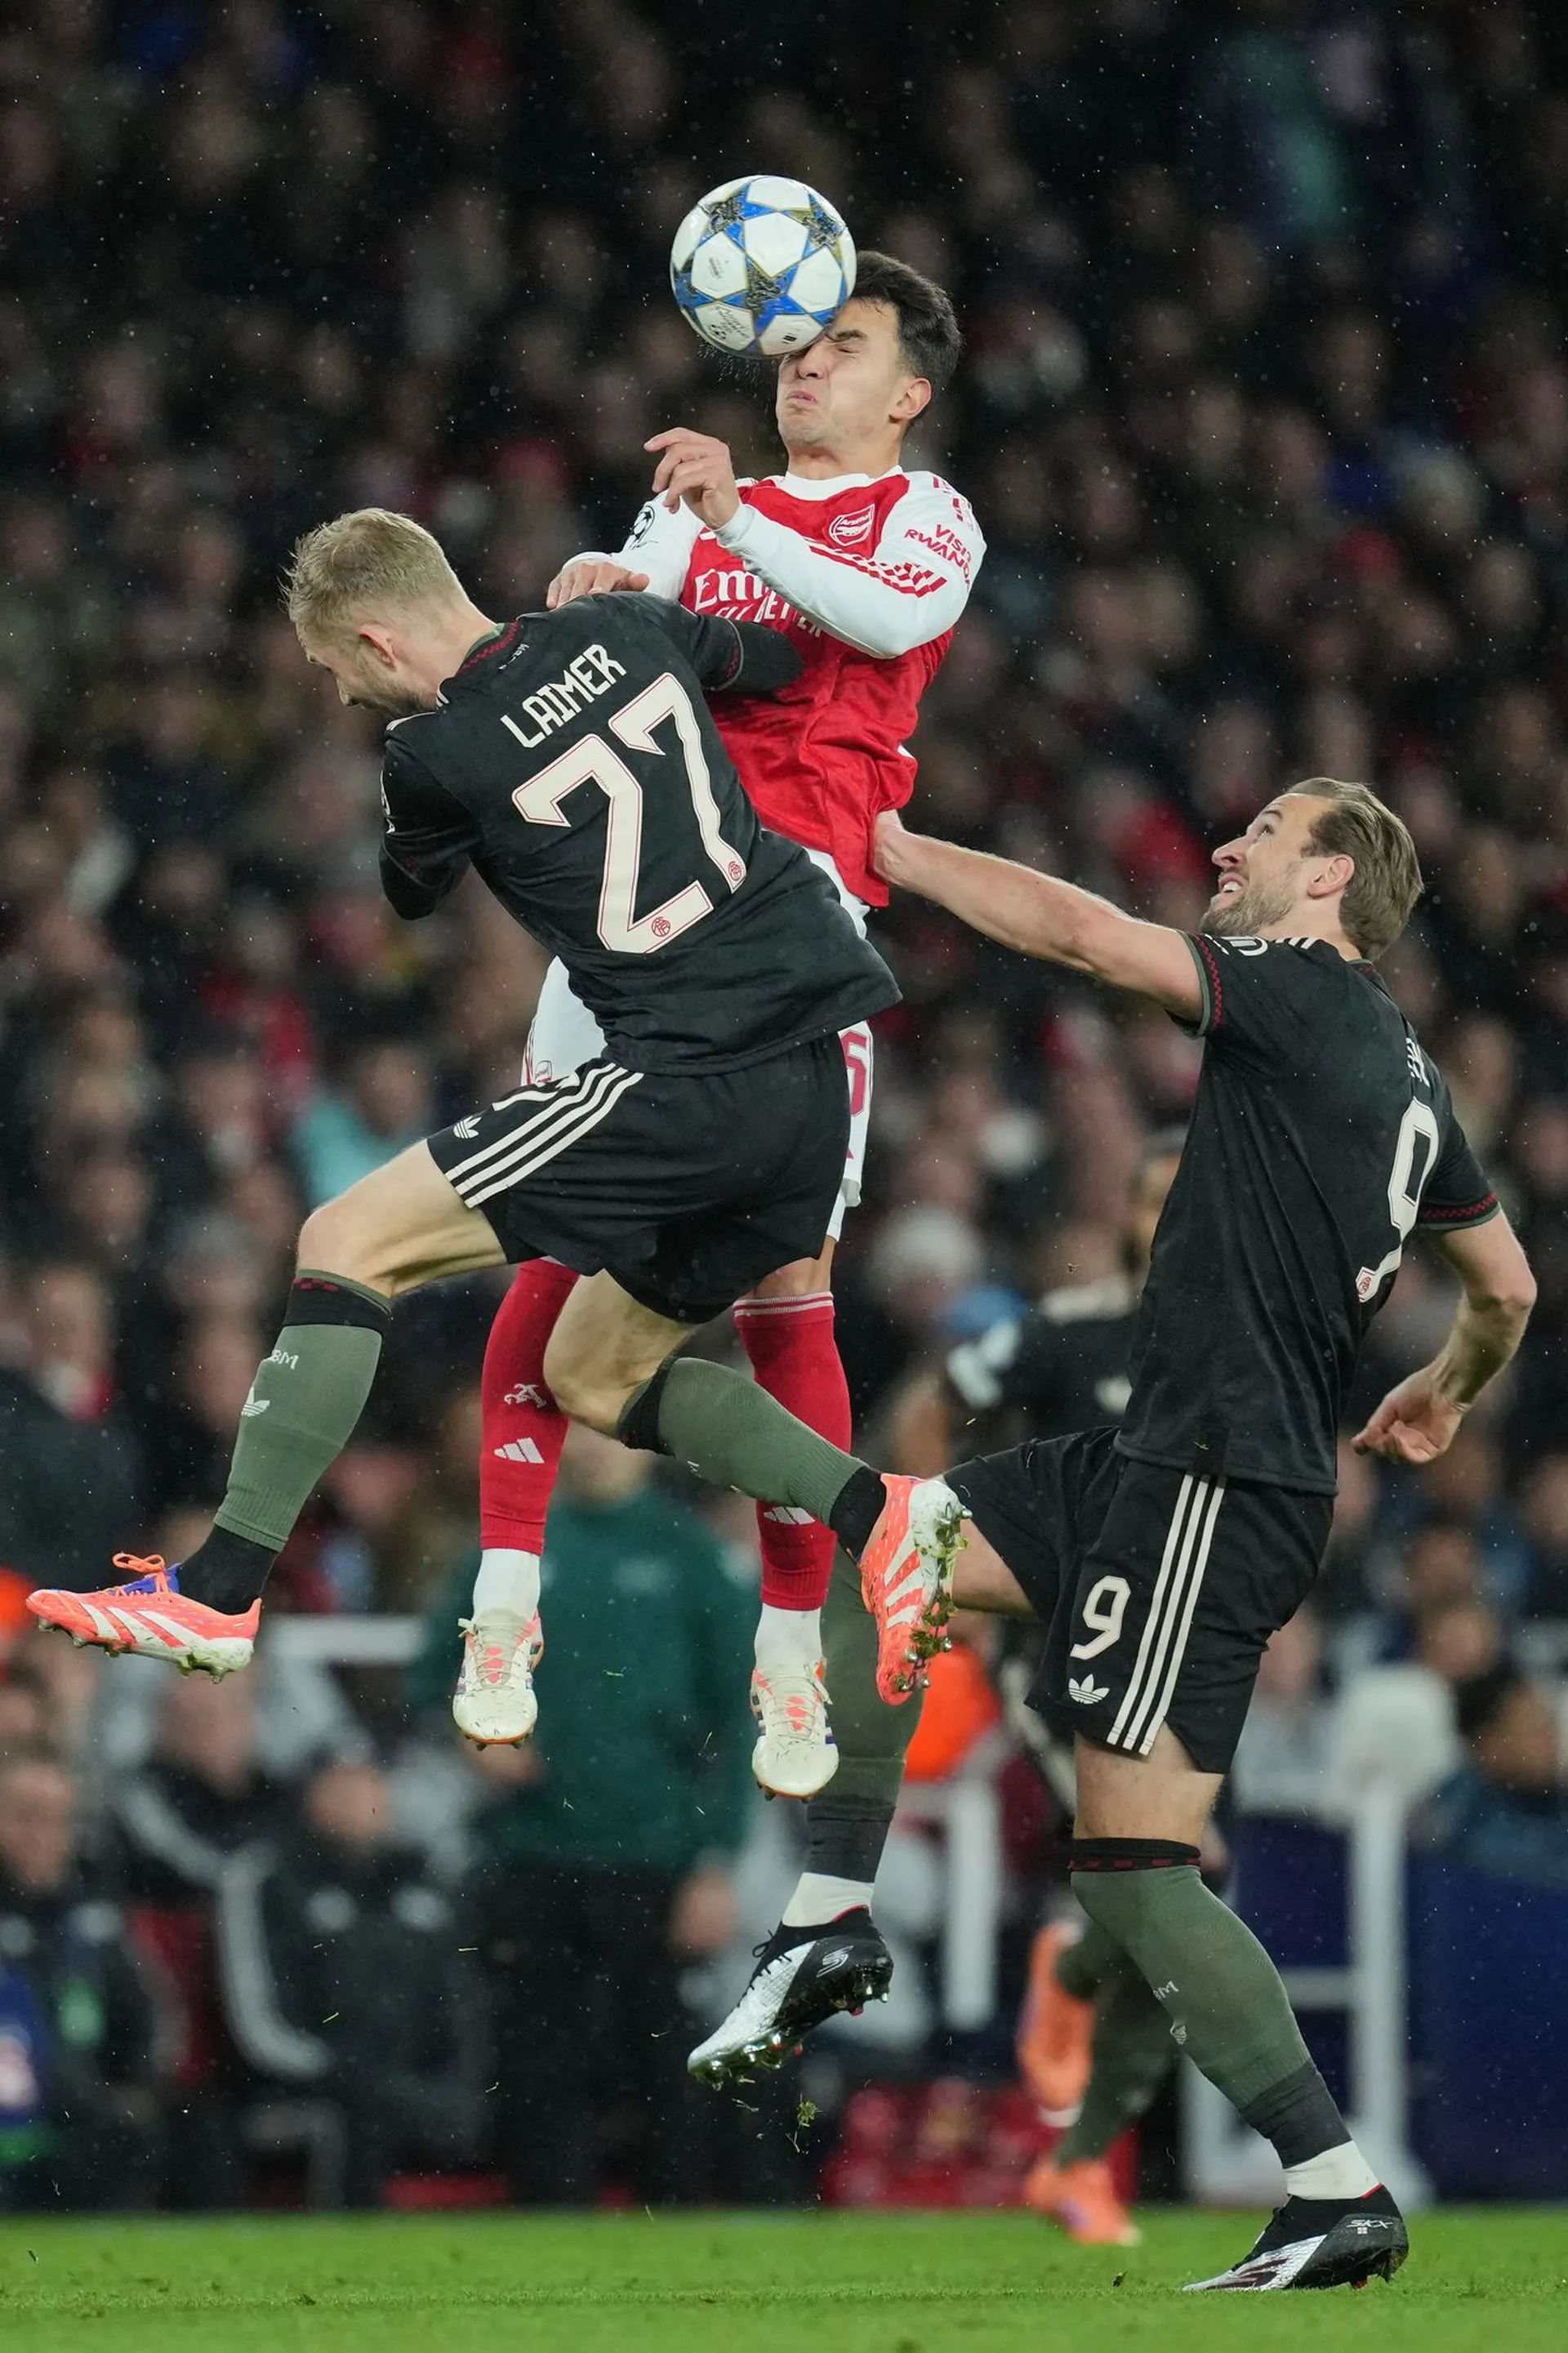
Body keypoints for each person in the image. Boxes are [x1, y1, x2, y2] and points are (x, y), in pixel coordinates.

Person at [595, 778, 1535, 2291]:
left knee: (1140, 1871)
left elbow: (1093, 938)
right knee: (892, 1554)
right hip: (1152, 1461)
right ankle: (830, 1911)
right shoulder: (1416, 1076)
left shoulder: (1302, 988)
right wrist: (1446, 1390)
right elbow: (1510, 1287)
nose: (1228, 845)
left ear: (1330, 880)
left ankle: (1334, 2183)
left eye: (1266, 833)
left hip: (1213, 1484)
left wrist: (897, 851)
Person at [27, 511, 958, 1756]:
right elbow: (778, 664)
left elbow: (411, 891)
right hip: (810, 1070)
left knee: (346, 1238)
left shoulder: (430, 752)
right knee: (593, 1374)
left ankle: (218, 1591)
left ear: (374, 639)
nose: (338, 694)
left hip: (685, 1073)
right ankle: (881, 1511)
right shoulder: (622, 621)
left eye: (333, 668)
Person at [461, 252, 982, 1795]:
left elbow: (879, 620)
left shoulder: (923, 515)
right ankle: (502, 1604)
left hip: (797, 931)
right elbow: (627, 649)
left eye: (847, 346)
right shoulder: (692, 510)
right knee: (548, 1234)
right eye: (797, 345)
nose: (806, 366)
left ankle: (791, 1654)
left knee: (785, 1283)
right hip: (631, 913)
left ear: (910, 391)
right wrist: (597, 590)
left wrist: (731, 521)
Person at [408, 1425, 755, 2204]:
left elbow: (739, 1721)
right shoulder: (512, 1550)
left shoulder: (692, 1556)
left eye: (613, 1431)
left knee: (662, 2058)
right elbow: (433, 1674)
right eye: (581, 1429)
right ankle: (546, 2228)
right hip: (535, 1844)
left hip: (656, 1854)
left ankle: (670, 2228)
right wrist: (476, 1729)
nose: (596, 1448)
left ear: (646, 1441)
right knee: (538, 2057)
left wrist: (716, 1861)